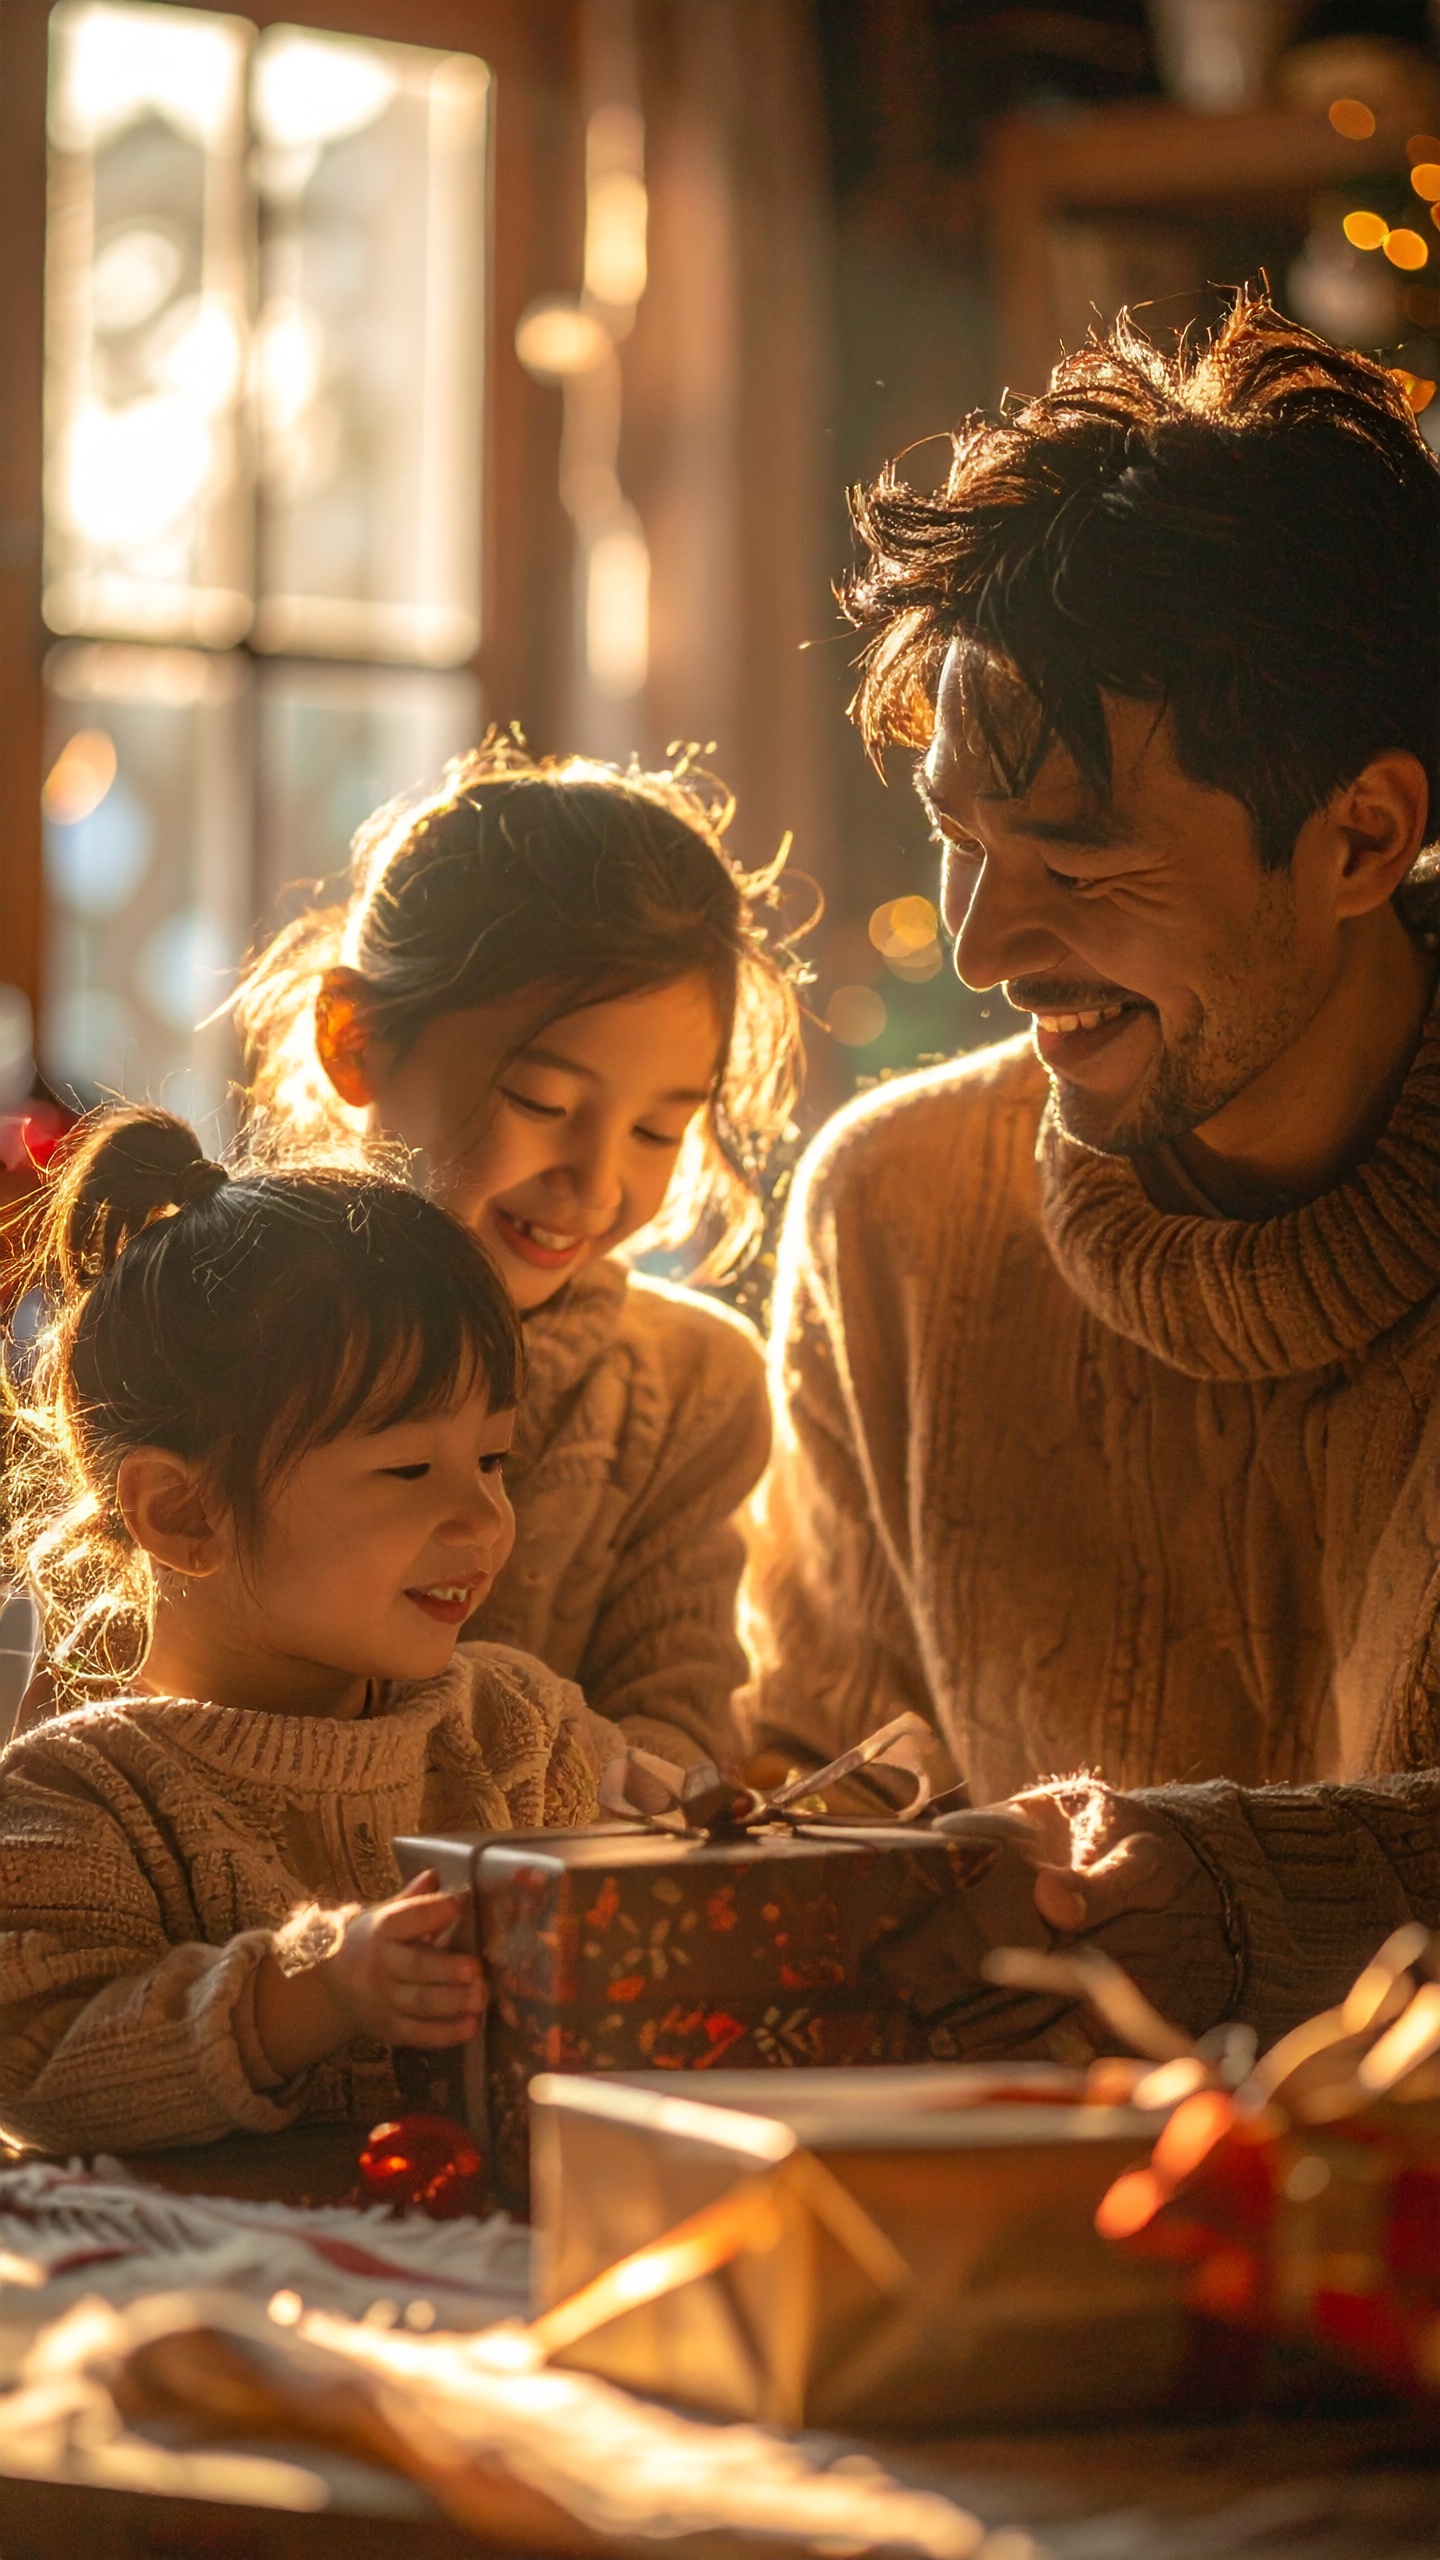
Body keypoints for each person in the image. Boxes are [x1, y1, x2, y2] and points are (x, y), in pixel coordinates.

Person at [742, 293, 1440, 2044]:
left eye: (1074, 852)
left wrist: (1234, 1896)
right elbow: (822, 1775)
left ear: (1362, 835)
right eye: (956, 839)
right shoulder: (892, 1214)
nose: (981, 947)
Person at [0, 1107, 628, 2157]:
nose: (484, 1520)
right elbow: (35, 2074)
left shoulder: (522, 1735)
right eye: (409, 1470)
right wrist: (318, 1987)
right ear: (186, 1514)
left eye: (494, 1459)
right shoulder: (83, 1801)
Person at [233, 741, 802, 1771]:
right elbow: (95, 1748)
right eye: (543, 1102)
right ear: (355, 1039)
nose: (593, 1182)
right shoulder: (214, 1325)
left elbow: (677, 1746)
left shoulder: (688, 1390)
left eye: (657, 1131)